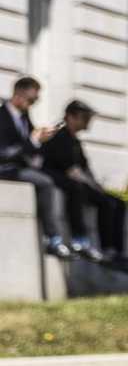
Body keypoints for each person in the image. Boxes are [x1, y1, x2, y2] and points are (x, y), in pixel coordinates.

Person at [38, 102, 128, 272]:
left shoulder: (74, 141)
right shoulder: (59, 137)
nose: (88, 122)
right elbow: (72, 171)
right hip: (65, 183)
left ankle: (115, 251)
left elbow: (84, 168)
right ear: (71, 117)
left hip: (79, 183)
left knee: (117, 202)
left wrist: (97, 187)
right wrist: (92, 186)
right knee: (93, 196)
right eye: (85, 117)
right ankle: (88, 243)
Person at [0, 76, 71, 259]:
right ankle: (53, 238)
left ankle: (74, 240)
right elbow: (5, 153)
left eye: (36, 100)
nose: (33, 104)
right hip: (6, 168)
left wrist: (42, 140)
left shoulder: (24, 117)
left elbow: (29, 147)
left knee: (63, 180)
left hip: (22, 167)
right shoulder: (2, 116)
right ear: (18, 94)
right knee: (45, 182)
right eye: (31, 99)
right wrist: (33, 141)